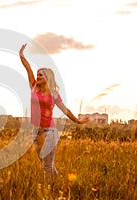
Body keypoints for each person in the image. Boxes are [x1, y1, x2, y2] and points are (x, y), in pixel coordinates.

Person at [19, 43, 89, 183]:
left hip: (49, 131)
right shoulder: (33, 87)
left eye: (41, 75)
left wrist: (78, 121)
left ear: (47, 77)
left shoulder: (53, 94)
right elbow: (27, 68)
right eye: (37, 74)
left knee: (46, 166)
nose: (37, 76)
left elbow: (65, 110)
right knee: (46, 163)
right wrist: (21, 54)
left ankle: (49, 191)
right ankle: (59, 181)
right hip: (36, 131)